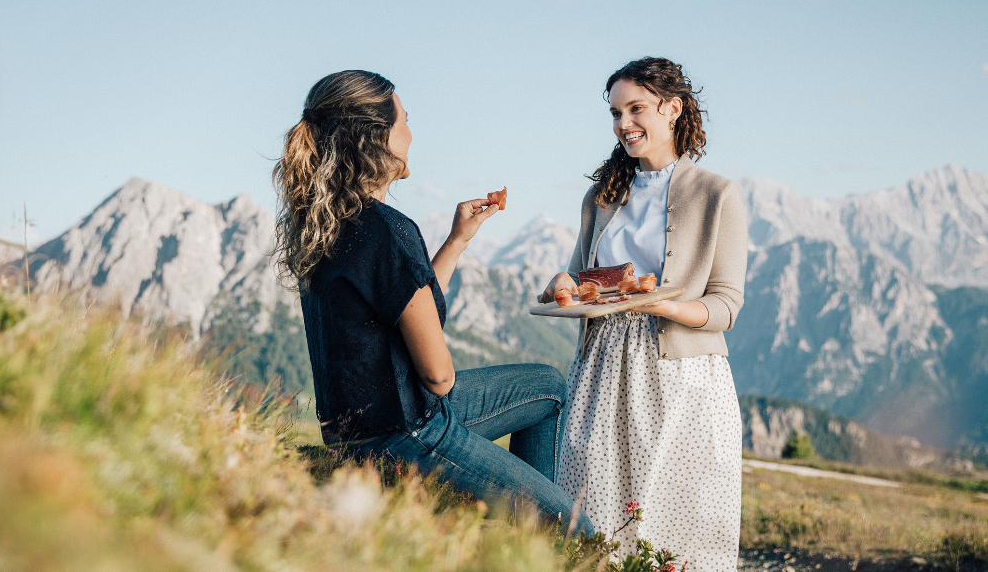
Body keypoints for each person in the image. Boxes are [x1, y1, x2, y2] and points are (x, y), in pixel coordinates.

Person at [273, 69, 595, 536]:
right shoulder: (388, 228)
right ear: (378, 137)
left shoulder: (328, 226)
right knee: (576, 531)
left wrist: (458, 240)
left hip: (356, 434)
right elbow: (439, 377)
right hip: (409, 434)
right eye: (404, 119)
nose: (411, 131)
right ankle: (542, 535)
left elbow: (408, 301)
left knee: (546, 386)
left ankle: (523, 535)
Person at [540, 57, 746, 569]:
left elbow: (725, 304)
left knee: (682, 514)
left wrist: (665, 304)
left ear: (672, 109)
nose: (623, 124)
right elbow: (584, 283)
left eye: (636, 109)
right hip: (602, 366)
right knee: (593, 506)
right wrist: (563, 285)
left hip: (681, 373)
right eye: (615, 113)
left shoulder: (717, 195)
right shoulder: (601, 196)